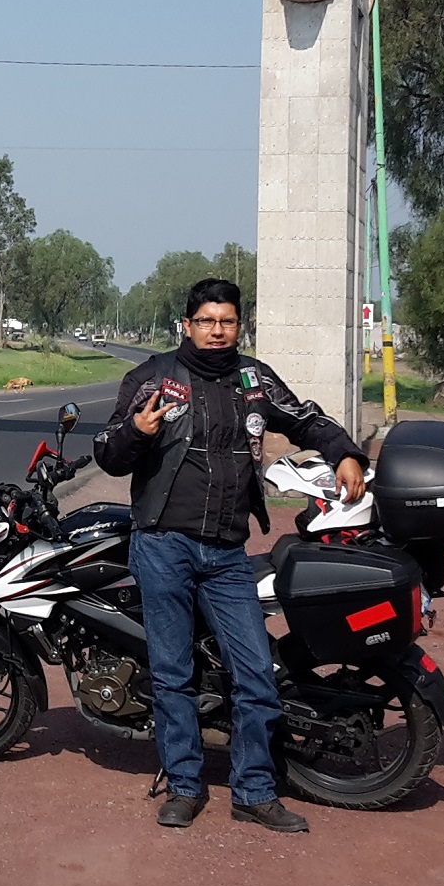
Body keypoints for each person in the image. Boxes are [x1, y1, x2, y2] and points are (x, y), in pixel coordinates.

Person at [92, 277, 367, 832]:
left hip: (225, 554)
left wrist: (345, 453)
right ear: (187, 325)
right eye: (207, 321)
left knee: (256, 676)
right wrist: (137, 432)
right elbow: (107, 451)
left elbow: (306, 418)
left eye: (228, 321)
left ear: (239, 325)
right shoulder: (153, 378)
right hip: (163, 545)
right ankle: (185, 786)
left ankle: (255, 791)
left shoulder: (254, 380)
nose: (218, 331)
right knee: (173, 675)